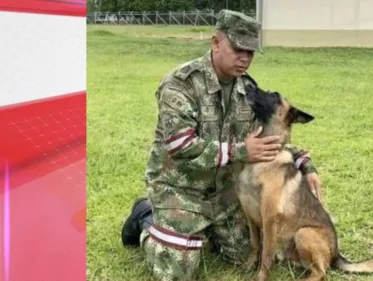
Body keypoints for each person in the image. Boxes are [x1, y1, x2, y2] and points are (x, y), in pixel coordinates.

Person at [120, 9, 323, 281]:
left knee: (251, 252)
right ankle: (145, 216)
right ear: (215, 42)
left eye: (251, 52)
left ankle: (203, 230)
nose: (245, 58)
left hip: (225, 193)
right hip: (182, 189)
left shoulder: (248, 90)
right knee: (178, 271)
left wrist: (304, 164)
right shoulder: (181, 84)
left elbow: (268, 139)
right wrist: (240, 151)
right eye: (238, 48)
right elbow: (181, 145)